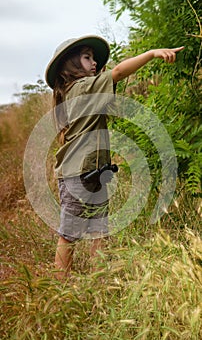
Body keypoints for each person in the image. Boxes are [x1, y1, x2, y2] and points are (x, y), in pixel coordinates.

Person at [45, 35, 184, 279]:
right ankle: (60, 285)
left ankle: (100, 282)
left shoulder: (85, 90)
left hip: (95, 172)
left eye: (94, 58)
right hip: (76, 175)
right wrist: (151, 53)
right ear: (70, 65)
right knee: (69, 234)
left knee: (100, 230)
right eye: (87, 57)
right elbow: (118, 71)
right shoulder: (81, 88)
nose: (94, 62)